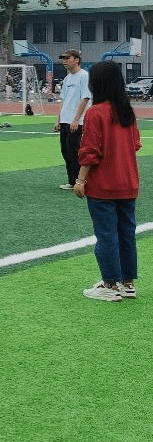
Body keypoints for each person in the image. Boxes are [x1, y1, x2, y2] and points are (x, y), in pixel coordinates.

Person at [74, 61, 141, 302]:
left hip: (103, 185)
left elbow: (90, 151)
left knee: (106, 235)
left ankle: (110, 285)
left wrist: (80, 180)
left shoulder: (96, 112)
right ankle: (128, 283)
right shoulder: (127, 112)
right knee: (126, 234)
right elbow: (135, 145)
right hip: (128, 183)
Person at [54, 49, 91, 190]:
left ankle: (80, 181)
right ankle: (72, 181)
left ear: (77, 60)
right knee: (65, 151)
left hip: (76, 122)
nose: (64, 61)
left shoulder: (84, 76)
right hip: (65, 120)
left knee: (74, 151)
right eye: (63, 58)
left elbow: (85, 98)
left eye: (67, 58)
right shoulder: (67, 78)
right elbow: (64, 100)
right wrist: (58, 119)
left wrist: (76, 119)